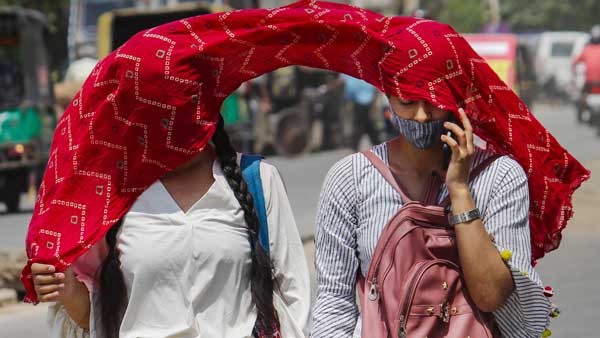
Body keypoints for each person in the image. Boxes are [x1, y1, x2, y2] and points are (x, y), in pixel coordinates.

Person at [30, 117, 311, 338]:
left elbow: (294, 298)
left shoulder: (257, 180)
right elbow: (98, 320)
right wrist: (66, 288)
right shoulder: (110, 195)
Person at [311, 96, 552, 337]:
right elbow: (334, 298)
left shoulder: (499, 176)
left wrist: (459, 190)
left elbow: (490, 295)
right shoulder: (350, 178)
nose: (421, 116)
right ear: (388, 97)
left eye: (433, 101)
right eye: (407, 102)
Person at [340, 73, 381, 151]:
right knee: (369, 126)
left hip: (359, 103)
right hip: (368, 102)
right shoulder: (365, 71)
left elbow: (349, 90)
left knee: (360, 126)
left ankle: (354, 147)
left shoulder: (350, 74)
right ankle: (377, 146)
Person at [573, 25, 600, 121]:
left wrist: (573, 71)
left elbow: (575, 62)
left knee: (582, 95)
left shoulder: (586, 49)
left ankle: (583, 111)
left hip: (589, 81)